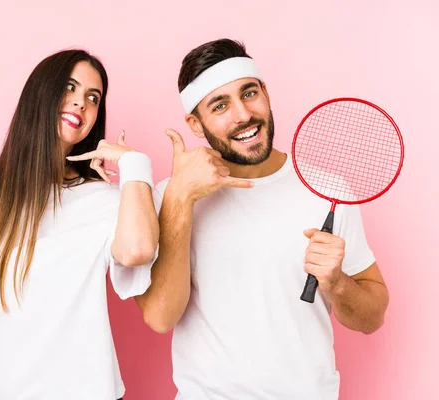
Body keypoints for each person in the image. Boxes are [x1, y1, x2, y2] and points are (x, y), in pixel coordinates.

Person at [136, 38, 389, 400]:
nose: (242, 115)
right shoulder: (168, 197)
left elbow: (372, 317)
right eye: (220, 105)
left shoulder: (327, 191)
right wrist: (181, 198)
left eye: (249, 93)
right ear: (195, 123)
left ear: (266, 94)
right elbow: (160, 317)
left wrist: (337, 283)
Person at [0, 49, 159, 400]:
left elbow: (138, 251)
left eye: (92, 97)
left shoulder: (103, 199)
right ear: (41, 93)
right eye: (69, 87)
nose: (81, 103)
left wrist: (134, 164)